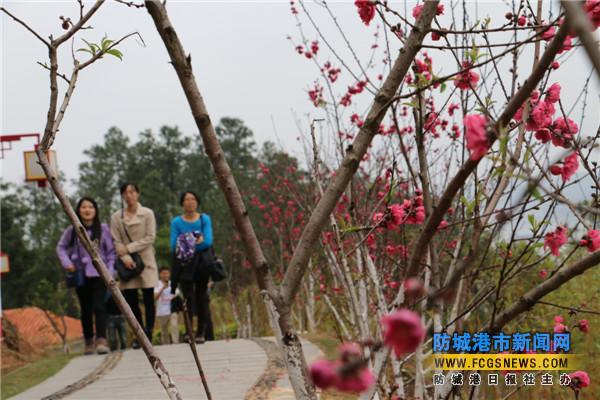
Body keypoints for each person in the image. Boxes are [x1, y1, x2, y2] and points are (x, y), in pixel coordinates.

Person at [56, 197, 115, 355]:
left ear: (95, 210)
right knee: (86, 309)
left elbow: (111, 252)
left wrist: (110, 271)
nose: (87, 210)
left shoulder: (103, 229)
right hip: (80, 275)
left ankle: (101, 340)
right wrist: (67, 263)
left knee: (99, 306)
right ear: (78, 210)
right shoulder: (72, 230)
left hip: (100, 274)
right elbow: (61, 247)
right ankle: (88, 342)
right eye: (84, 207)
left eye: (91, 207)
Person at [110, 182, 159, 348]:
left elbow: (150, 237)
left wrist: (129, 248)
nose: (129, 195)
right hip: (126, 263)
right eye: (125, 192)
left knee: (148, 299)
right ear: (122, 195)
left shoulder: (147, 213)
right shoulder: (117, 217)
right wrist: (124, 257)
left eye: (132, 192)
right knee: (131, 301)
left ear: (137, 193)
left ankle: (149, 332)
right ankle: (140, 335)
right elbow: (115, 239)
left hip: (145, 260)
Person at [170, 191, 213, 344]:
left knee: (202, 298)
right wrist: (195, 238)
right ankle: (189, 332)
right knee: (187, 299)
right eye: (186, 199)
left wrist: (186, 242)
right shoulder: (176, 222)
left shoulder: (204, 219)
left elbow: (208, 241)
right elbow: (173, 245)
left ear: (197, 202)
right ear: (182, 203)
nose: (190, 202)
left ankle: (201, 332)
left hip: (202, 264)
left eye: (193, 199)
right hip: (184, 265)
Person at [154, 267, 179, 345]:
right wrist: (163, 288)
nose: (165, 275)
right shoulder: (157, 284)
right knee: (164, 330)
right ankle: (166, 345)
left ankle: (176, 343)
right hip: (162, 311)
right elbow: (155, 297)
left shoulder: (172, 284)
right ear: (160, 274)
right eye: (163, 273)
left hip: (172, 310)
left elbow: (177, 293)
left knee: (174, 326)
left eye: (167, 273)